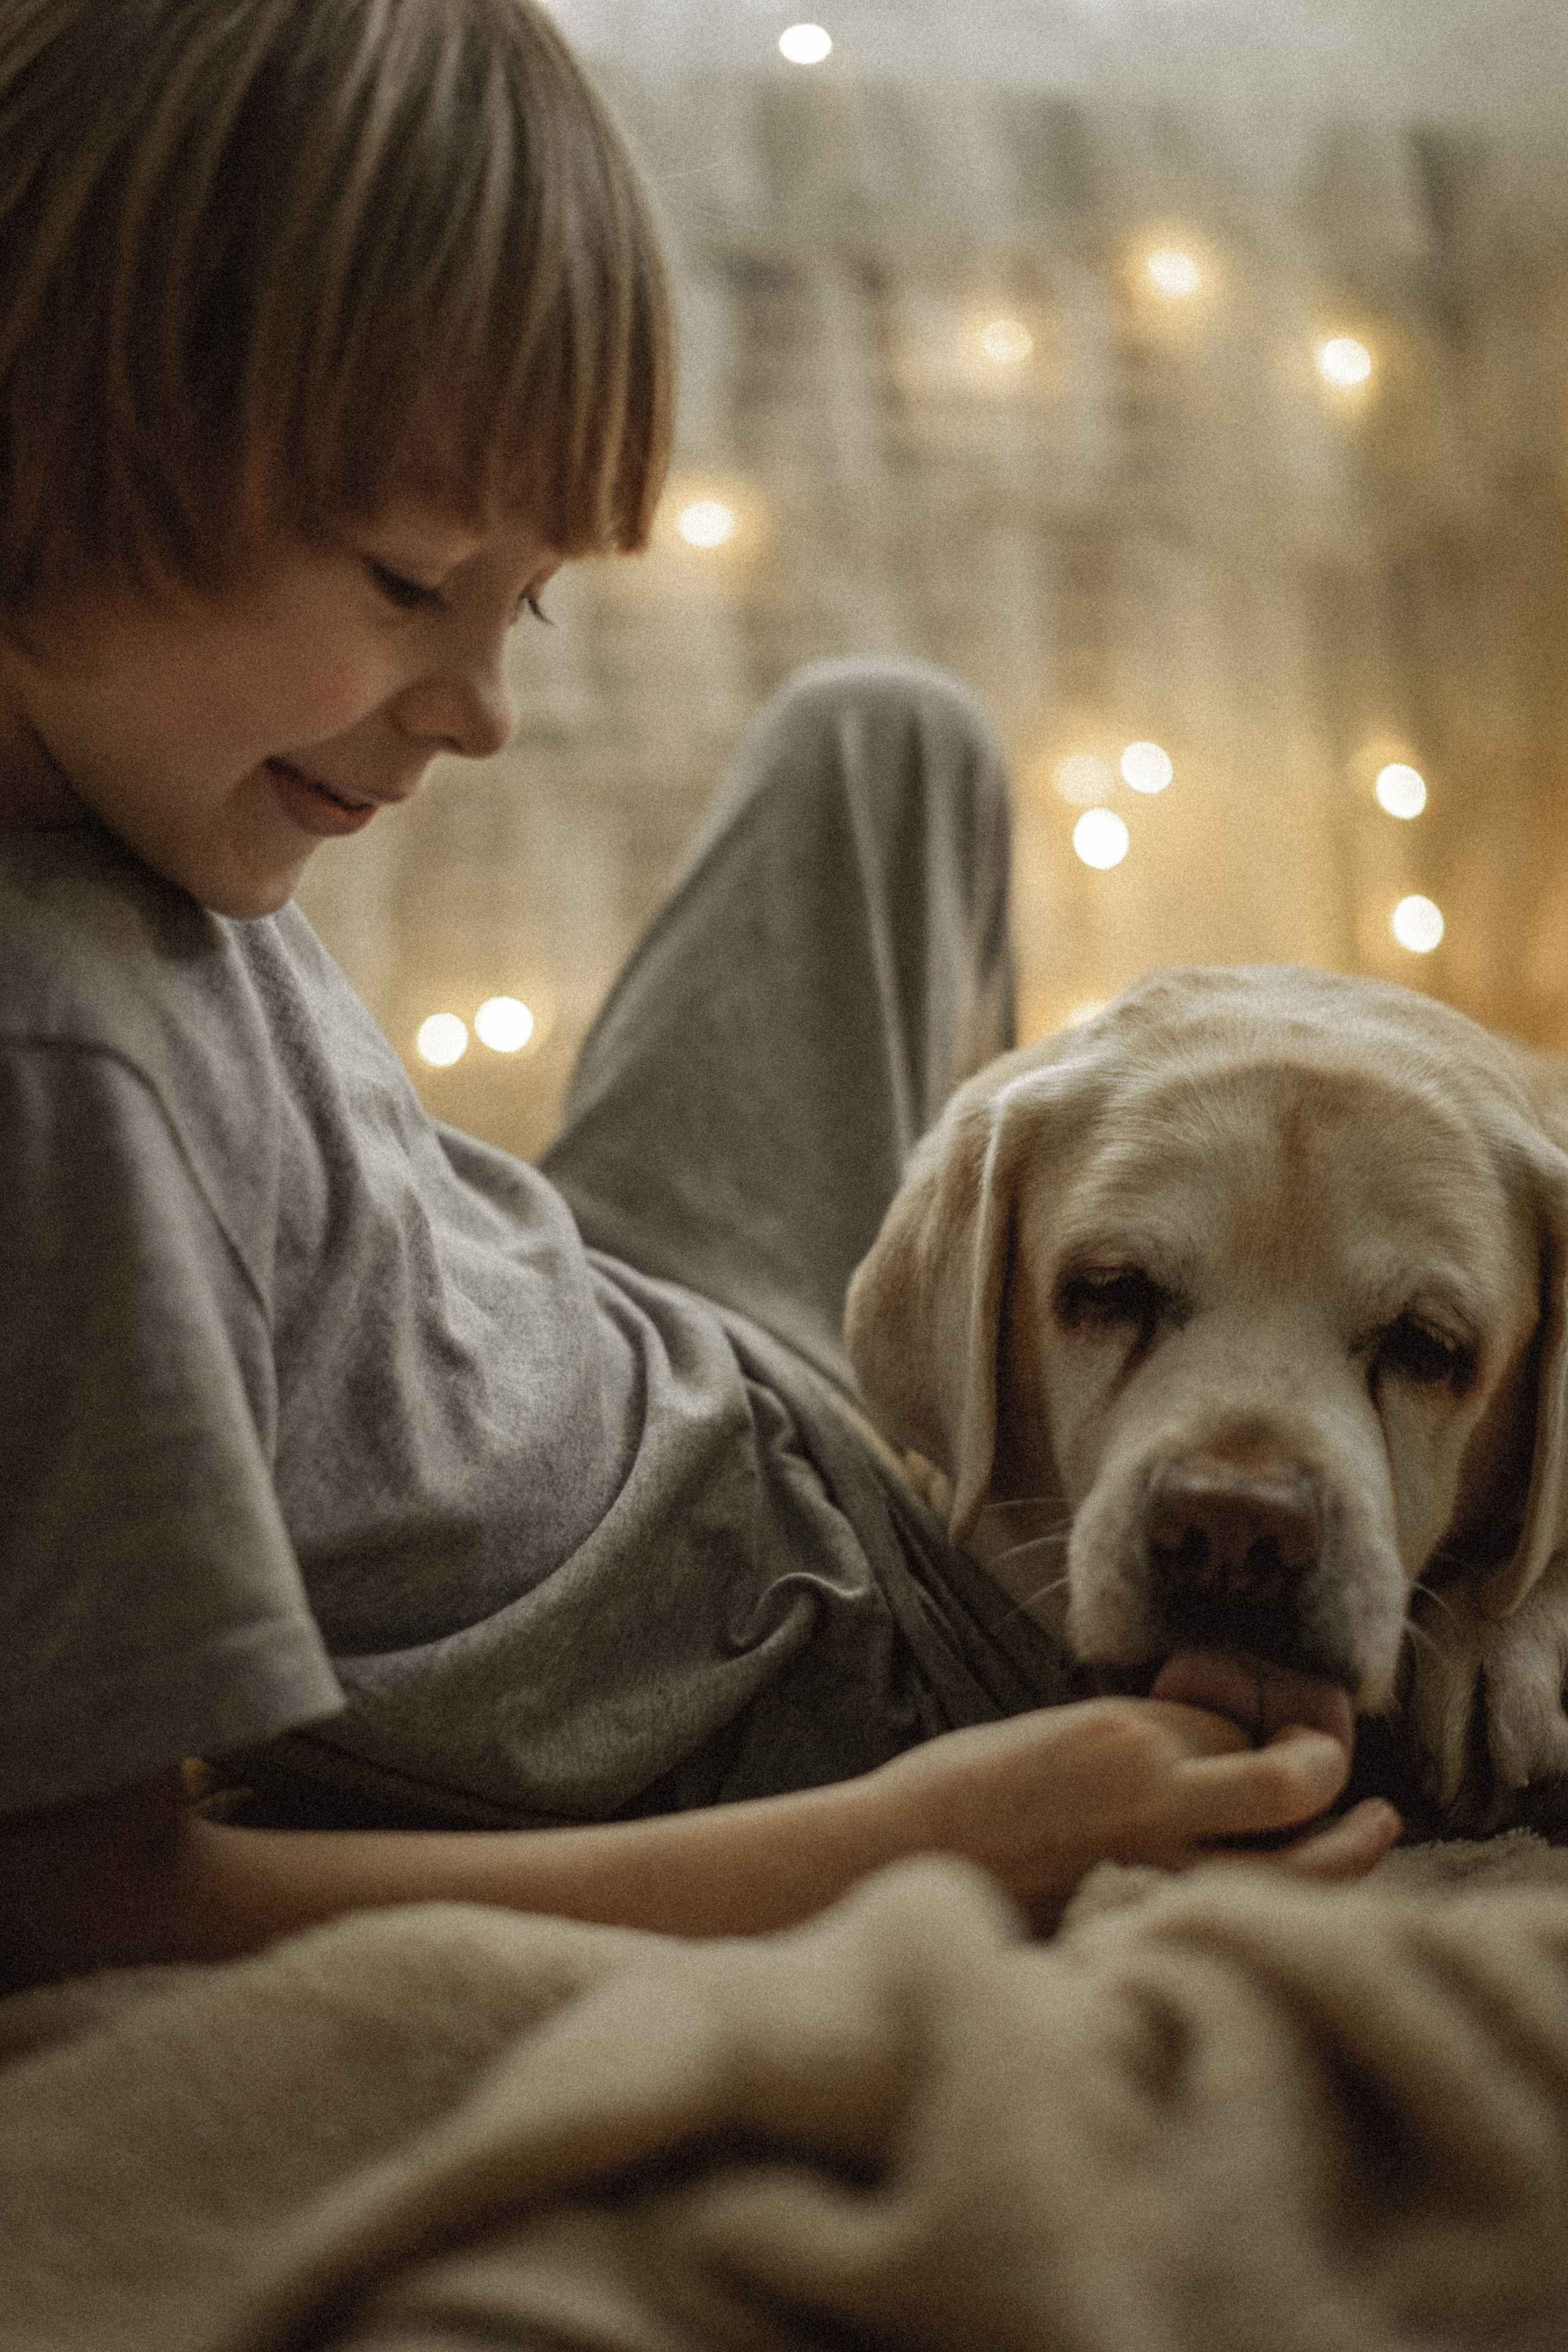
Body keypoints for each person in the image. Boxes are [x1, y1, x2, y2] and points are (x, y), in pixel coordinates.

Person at [0, 0, 1399, 1991]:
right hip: (815, 1652)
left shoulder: (145, 789)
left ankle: (966, 1364)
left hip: (654, 1340)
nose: (485, 710)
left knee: (880, 736)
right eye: (411, 581)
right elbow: (83, 1908)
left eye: (528, 602)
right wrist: (949, 1836)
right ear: (57, 408)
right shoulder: (54, 1060)